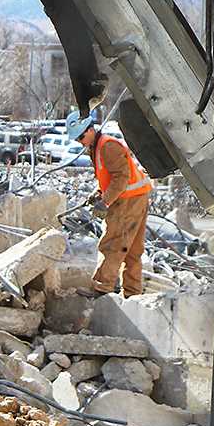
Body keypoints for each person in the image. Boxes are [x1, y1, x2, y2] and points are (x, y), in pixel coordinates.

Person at [66, 109, 153, 298]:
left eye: (81, 137)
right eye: (77, 139)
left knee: (113, 243)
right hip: (135, 197)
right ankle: (132, 294)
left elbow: (122, 178)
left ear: (90, 130)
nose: (80, 142)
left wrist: (104, 202)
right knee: (132, 250)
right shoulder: (97, 147)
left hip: (128, 200)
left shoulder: (107, 146)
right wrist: (98, 193)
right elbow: (110, 178)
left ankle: (101, 287)